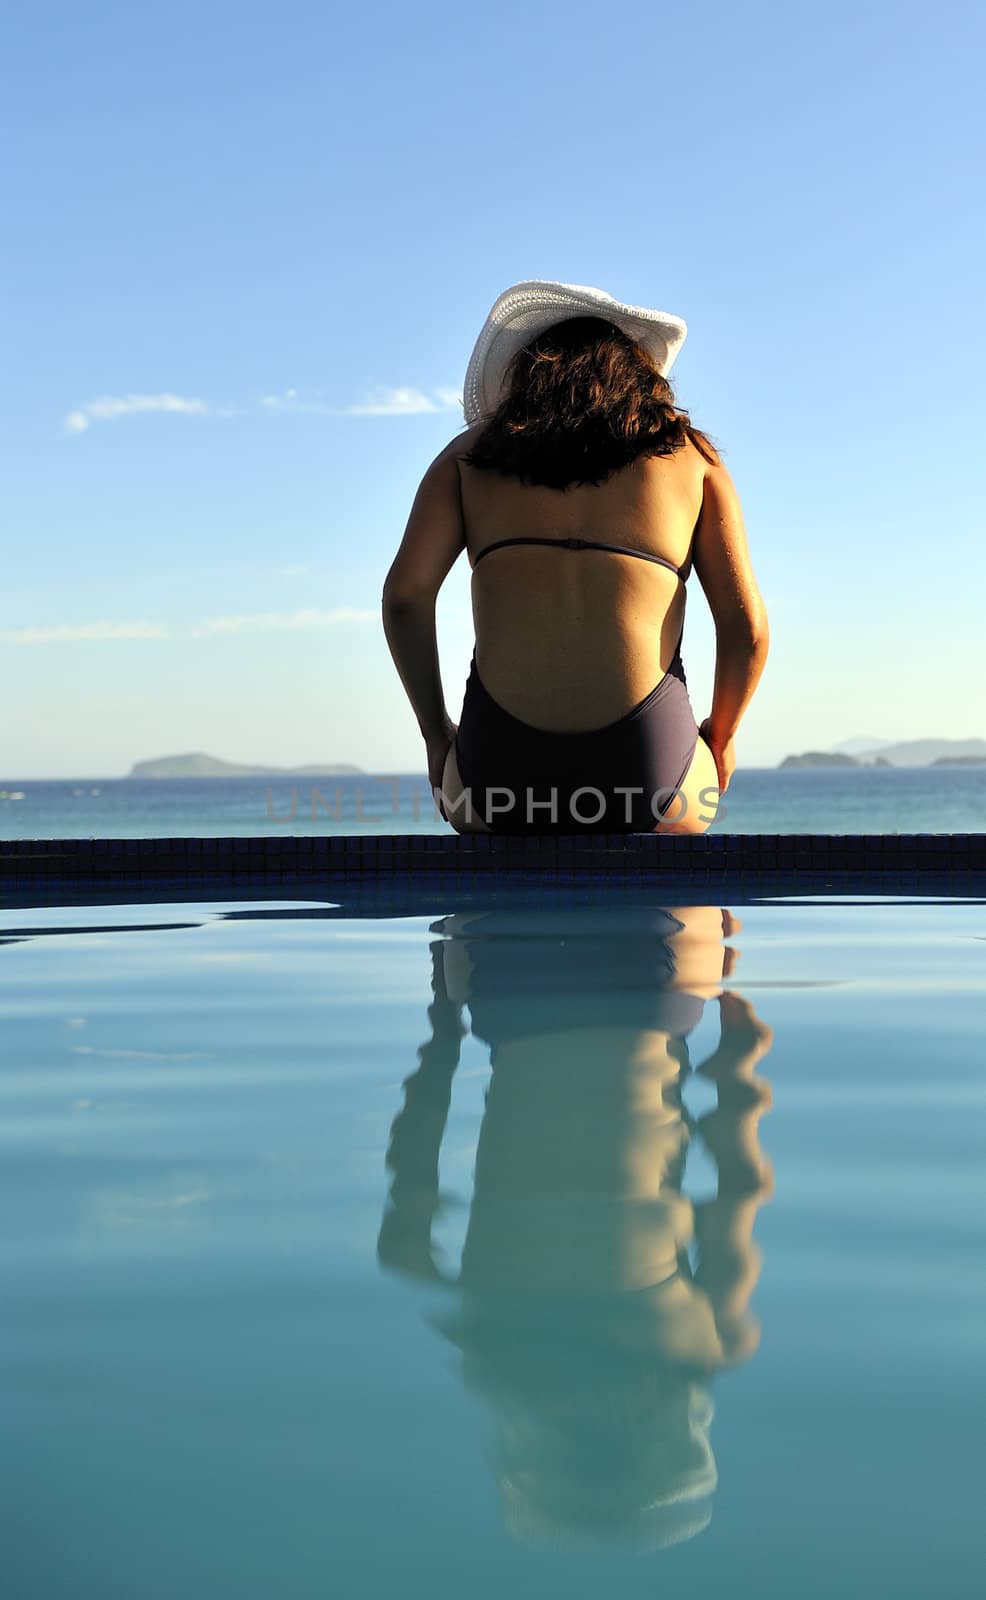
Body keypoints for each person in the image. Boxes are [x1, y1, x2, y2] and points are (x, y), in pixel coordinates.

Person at [376, 899, 775, 1548]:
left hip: (660, 982)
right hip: (507, 987)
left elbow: (742, 1173)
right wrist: (444, 1022)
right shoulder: (488, 1347)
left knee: (690, 882)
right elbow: (405, 1231)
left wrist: (737, 1025)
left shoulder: (706, 1346)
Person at [383, 279, 769, 834]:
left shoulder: (467, 458)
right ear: (640, 372)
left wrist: (436, 735)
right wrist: (723, 739)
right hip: (653, 776)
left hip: (497, 780)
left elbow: (404, 600)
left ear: (525, 372)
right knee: (718, 923)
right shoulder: (694, 461)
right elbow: (747, 630)